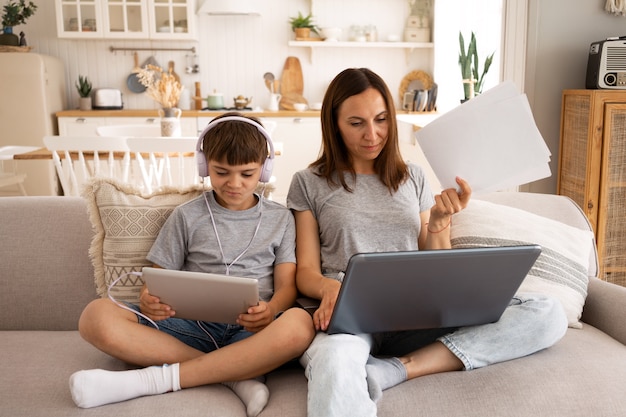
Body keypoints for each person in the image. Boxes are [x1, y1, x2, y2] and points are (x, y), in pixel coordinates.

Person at [287, 68, 568, 417]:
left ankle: (401, 367)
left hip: (414, 313)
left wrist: (438, 224)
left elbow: (437, 264)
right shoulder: (308, 182)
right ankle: (378, 363)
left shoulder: (413, 177)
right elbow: (306, 272)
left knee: (547, 312)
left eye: (381, 119)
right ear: (334, 124)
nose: (372, 135)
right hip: (350, 315)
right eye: (356, 123)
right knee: (335, 360)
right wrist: (330, 289)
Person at [70, 112, 315, 417]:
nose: (234, 184)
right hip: (190, 327)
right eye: (221, 172)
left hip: (252, 332)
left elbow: (287, 285)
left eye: (247, 173)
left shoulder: (281, 219)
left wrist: (271, 310)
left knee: (299, 325)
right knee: (96, 315)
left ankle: (164, 377)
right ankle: (234, 377)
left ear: (265, 170)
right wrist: (149, 299)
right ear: (203, 165)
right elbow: (156, 280)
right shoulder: (187, 216)